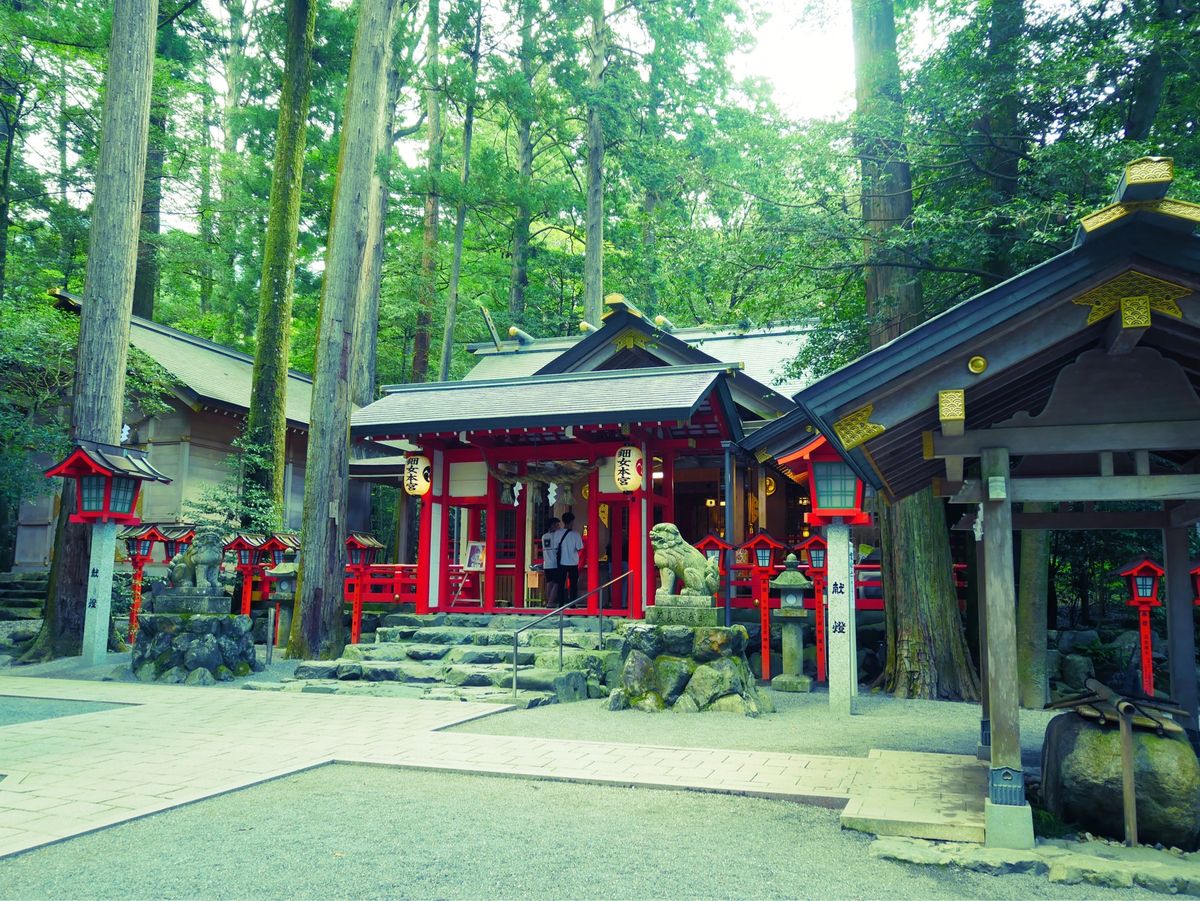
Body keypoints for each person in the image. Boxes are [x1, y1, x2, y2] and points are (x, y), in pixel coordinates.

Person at [558, 512, 585, 604]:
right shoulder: (576, 534)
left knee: (560, 584)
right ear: (572, 522)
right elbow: (580, 548)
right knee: (573, 584)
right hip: (573, 563)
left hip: (561, 562)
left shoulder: (558, 533)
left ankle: (560, 603)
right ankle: (572, 603)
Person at [539, 517, 565, 606]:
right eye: (557, 525)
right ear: (553, 525)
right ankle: (550, 602)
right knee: (557, 583)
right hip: (555, 563)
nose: (559, 527)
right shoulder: (556, 536)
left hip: (546, 563)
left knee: (549, 583)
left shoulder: (544, 536)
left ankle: (547, 601)